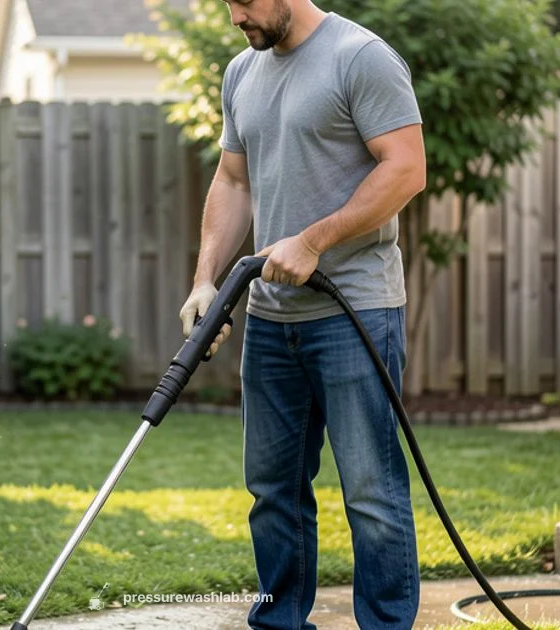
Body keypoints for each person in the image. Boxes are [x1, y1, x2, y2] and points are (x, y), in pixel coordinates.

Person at [178, 1, 427, 628]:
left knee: (371, 494)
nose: (236, 16)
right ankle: (280, 622)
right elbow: (234, 181)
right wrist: (206, 280)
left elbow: (406, 170)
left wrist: (313, 239)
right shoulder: (241, 72)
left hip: (356, 312)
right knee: (273, 493)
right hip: (269, 317)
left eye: (244, 0)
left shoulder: (359, 58)